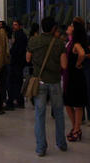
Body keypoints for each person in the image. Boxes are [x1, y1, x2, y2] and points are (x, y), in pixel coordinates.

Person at [27, 16, 67, 157]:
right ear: (54, 28)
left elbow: (27, 58)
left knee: (39, 115)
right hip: (55, 82)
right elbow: (64, 65)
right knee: (59, 114)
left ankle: (40, 148)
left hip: (40, 81)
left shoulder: (33, 40)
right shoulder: (59, 43)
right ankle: (61, 143)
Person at [63, 21, 88, 142]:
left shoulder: (75, 43)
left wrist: (78, 63)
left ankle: (76, 128)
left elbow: (82, 54)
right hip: (70, 76)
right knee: (68, 103)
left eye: (71, 25)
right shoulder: (70, 41)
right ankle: (75, 127)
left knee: (77, 104)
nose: (69, 26)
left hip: (75, 76)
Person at [6, 19, 28, 110]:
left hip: (16, 62)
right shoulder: (21, 35)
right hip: (19, 62)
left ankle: (16, 100)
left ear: (20, 26)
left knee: (14, 82)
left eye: (15, 24)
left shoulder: (19, 35)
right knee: (18, 81)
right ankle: (19, 101)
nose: (13, 26)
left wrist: (10, 51)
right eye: (13, 24)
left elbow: (16, 49)